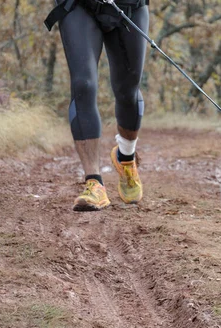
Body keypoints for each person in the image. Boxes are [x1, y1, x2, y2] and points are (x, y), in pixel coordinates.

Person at [45, 0, 149, 211]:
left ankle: (126, 157)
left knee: (128, 91)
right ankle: (94, 183)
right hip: (79, 7)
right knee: (83, 84)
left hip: (129, 7)